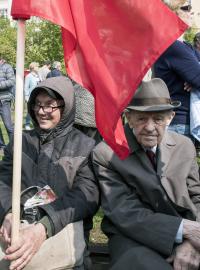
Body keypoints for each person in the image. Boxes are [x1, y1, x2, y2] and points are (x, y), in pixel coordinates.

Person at [92, 78, 200, 270]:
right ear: (128, 117)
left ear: (170, 118)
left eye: (158, 119)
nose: (150, 127)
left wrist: (192, 241)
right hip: (132, 237)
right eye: (142, 118)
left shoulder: (184, 146)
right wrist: (184, 229)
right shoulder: (107, 153)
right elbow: (124, 212)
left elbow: (197, 197)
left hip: (188, 234)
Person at [0, 77, 99, 270]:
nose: (41, 111)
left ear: (66, 107)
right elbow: (3, 181)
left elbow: (86, 196)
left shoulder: (85, 146)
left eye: (49, 106)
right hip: (16, 233)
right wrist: (9, 212)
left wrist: (45, 226)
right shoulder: (21, 141)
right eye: (37, 104)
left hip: (63, 241)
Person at [154, 1, 200, 140]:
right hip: (179, 125)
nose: (191, 12)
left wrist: (195, 77)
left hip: (184, 122)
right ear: (171, 14)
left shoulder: (184, 45)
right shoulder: (173, 46)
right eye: (186, 8)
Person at [0, 55, 15, 151]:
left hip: (4, 100)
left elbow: (12, 81)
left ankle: (14, 146)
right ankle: (1, 146)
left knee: (8, 125)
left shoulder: (7, 67)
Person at [24, 62, 40, 130]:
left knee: (38, 111)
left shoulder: (38, 75)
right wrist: (26, 97)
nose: (38, 68)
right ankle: (27, 124)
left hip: (39, 97)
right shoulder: (29, 76)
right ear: (33, 68)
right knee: (30, 111)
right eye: (37, 66)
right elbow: (26, 88)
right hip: (31, 96)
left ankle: (37, 124)